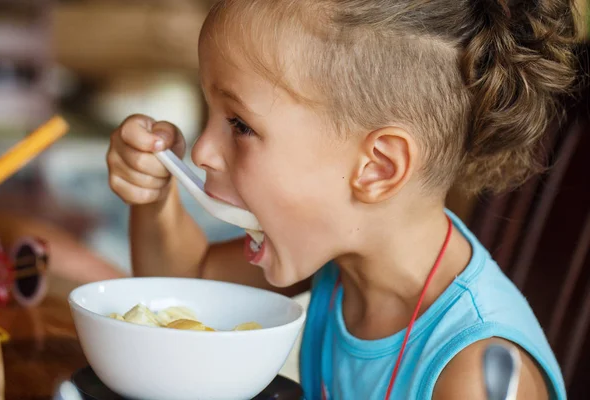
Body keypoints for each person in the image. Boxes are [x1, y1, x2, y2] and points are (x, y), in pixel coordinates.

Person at [106, 0, 578, 398]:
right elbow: (185, 286)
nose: (203, 151)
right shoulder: (341, 259)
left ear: (377, 168)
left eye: (241, 125)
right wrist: (154, 195)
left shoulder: (475, 372)